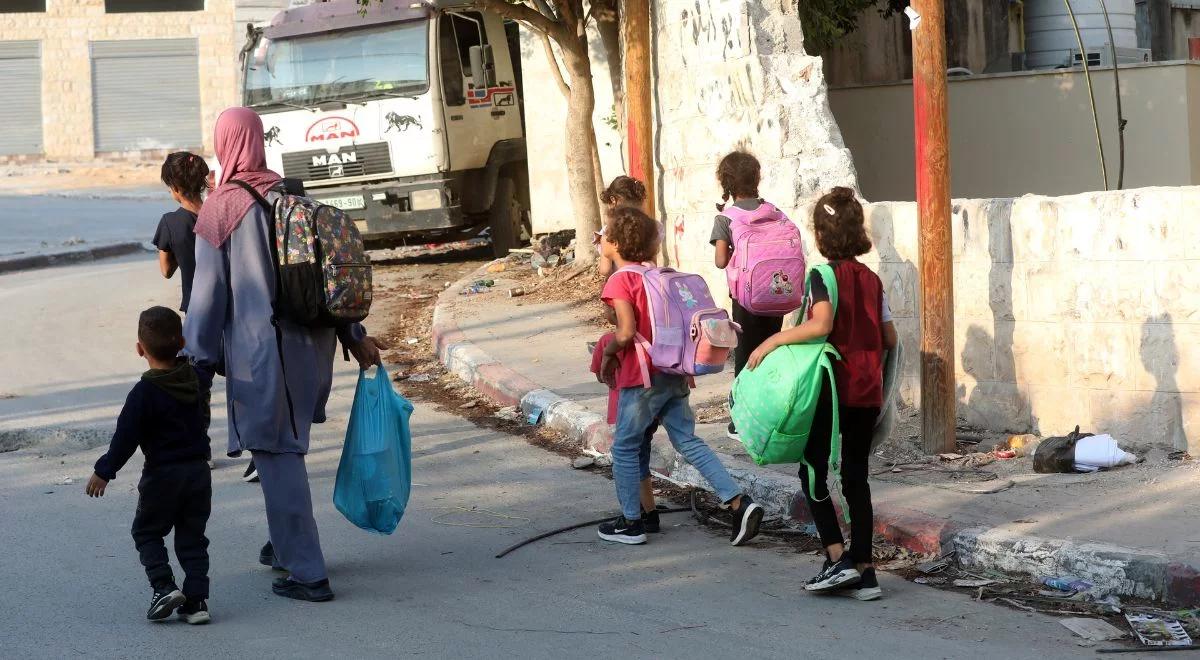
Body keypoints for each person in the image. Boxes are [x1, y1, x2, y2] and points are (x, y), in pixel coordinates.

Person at [184, 107, 388, 602]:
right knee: (285, 446)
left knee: (277, 453)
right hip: (310, 347)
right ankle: (283, 545)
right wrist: (353, 332)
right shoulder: (290, 193)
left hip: (261, 353)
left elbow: (208, 294)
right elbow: (324, 275)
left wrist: (197, 358)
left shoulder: (221, 208)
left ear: (224, 143)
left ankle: (308, 571)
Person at [746, 187, 897, 601]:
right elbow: (889, 336)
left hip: (832, 387)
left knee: (812, 469)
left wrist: (772, 342)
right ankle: (866, 571)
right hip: (867, 389)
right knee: (855, 476)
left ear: (819, 233)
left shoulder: (821, 276)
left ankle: (836, 558)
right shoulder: (872, 280)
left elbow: (820, 324)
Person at [596, 205, 764, 546]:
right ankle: (737, 501)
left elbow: (626, 331)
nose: (600, 240)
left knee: (626, 447)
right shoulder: (659, 274)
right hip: (675, 371)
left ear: (614, 242)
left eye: (604, 235)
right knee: (687, 440)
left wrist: (609, 353)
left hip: (643, 377)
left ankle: (631, 523)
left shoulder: (621, 279)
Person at [85, 306, 213, 624]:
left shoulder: (143, 394)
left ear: (139, 349)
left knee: (146, 532)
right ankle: (197, 602)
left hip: (162, 476)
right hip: (198, 472)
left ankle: (164, 587)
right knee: (192, 536)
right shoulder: (196, 380)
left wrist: (104, 471)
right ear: (181, 341)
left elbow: (125, 439)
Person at [710, 151, 786, 441]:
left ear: (726, 183)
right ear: (757, 178)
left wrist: (732, 250)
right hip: (779, 294)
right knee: (769, 352)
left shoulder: (726, 217)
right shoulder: (775, 211)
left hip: (746, 298)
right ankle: (769, 415)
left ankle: (740, 421)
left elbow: (720, 260)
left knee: (745, 356)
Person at [153, 152, 209, 313]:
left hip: (196, 305)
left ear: (175, 188)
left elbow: (166, 271)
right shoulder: (219, 213)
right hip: (228, 301)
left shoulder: (170, 222)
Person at [596, 175, 649, 279]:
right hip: (646, 283)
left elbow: (606, 270)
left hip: (621, 284)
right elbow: (652, 263)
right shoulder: (651, 227)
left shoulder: (608, 233)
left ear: (613, 200)